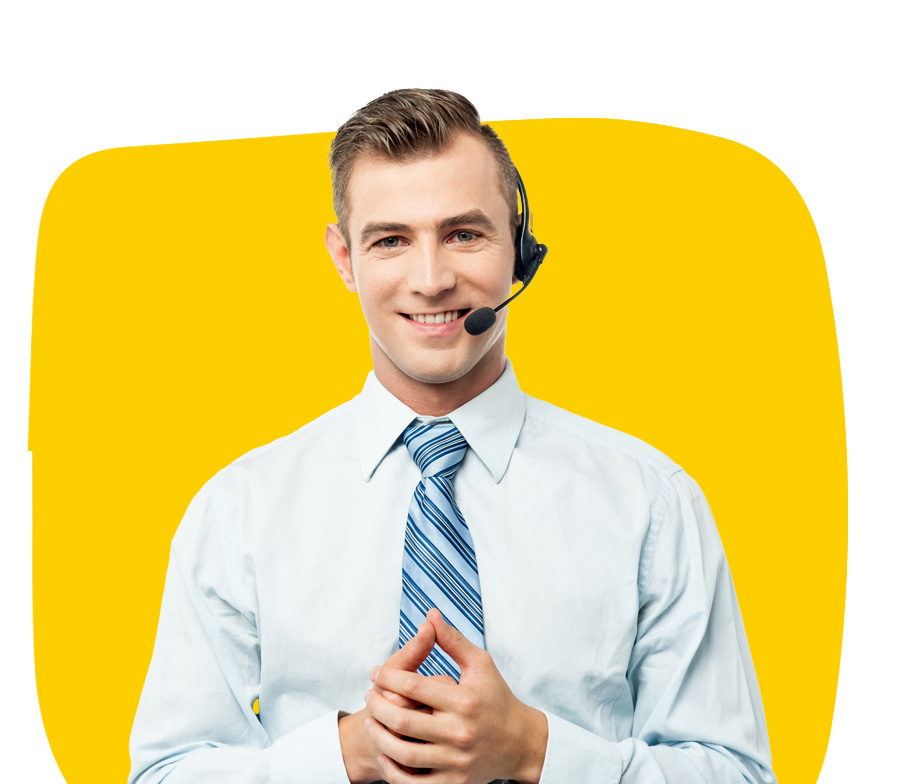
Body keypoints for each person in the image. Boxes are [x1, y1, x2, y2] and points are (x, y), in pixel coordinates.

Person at [128, 89, 776, 784]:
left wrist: (536, 751)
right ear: (344, 258)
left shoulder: (651, 501)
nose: (432, 281)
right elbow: (167, 771)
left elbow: (736, 775)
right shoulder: (242, 510)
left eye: (465, 234)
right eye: (391, 241)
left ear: (520, 249)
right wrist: (346, 755)